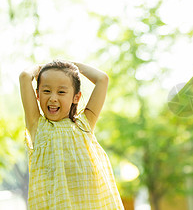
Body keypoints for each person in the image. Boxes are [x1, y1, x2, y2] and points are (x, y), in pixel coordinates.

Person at [19, 60, 124, 209]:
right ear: (37, 94)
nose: (53, 98)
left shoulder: (84, 125)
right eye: (46, 91)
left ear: (76, 97)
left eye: (61, 92)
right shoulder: (37, 126)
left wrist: (72, 66)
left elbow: (102, 79)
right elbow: (24, 76)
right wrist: (40, 68)